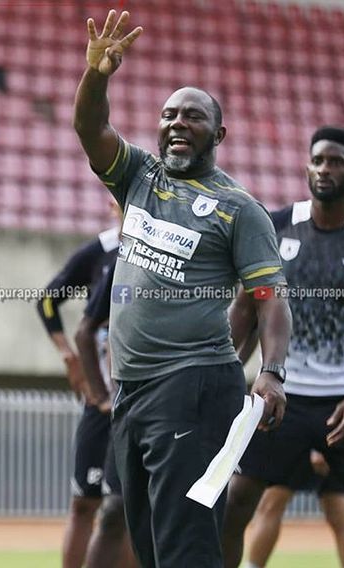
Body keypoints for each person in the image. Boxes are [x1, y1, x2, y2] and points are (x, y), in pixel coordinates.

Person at [73, 10, 292, 567]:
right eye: (168, 114)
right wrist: (97, 76)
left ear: (218, 134)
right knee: (149, 547)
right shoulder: (139, 177)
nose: (176, 123)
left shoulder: (238, 209)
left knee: (186, 547)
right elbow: (90, 129)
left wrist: (271, 371)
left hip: (193, 384)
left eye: (192, 117)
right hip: (134, 390)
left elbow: (270, 300)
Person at [221, 126, 344, 568]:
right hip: (279, 397)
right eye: (318, 160)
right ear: (306, 167)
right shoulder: (274, 226)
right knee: (235, 503)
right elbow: (248, 307)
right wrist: (224, 371)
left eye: (335, 161)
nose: (325, 169)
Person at [36, 221, 119, 568]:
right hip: (100, 404)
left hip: (150, 404)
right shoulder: (100, 251)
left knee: (130, 510)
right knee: (85, 501)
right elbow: (47, 302)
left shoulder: (171, 244)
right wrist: (69, 357)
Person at [74, 259, 136, 568]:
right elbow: (88, 331)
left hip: (185, 405)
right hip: (131, 409)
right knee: (113, 510)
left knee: (165, 514)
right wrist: (102, 393)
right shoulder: (121, 261)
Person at [245, 449, 344, 568]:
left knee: (339, 512)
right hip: (296, 444)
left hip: (325, 444)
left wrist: (318, 446)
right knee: (270, 506)